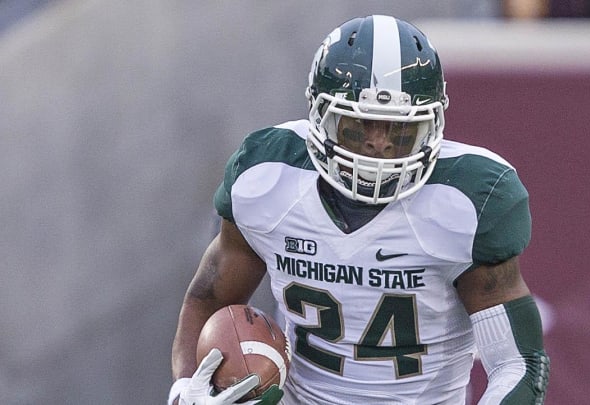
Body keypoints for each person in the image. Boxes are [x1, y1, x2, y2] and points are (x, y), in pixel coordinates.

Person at [168, 14, 549, 405]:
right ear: (319, 116)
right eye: (358, 124)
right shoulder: (266, 176)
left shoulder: (466, 200)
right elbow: (209, 298)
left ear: (432, 124)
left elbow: (517, 362)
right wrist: (187, 385)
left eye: (399, 129)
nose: (378, 144)